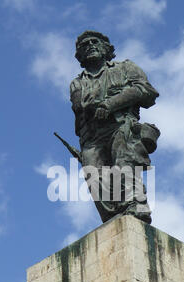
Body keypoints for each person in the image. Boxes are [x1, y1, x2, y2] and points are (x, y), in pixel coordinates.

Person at [70, 31, 160, 224]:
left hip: (120, 126)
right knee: (94, 177)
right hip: (91, 137)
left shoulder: (126, 68)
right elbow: (79, 108)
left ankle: (136, 205)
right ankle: (113, 217)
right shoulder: (78, 82)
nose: (91, 45)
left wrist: (110, 105)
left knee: (125, 161)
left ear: (106, 49)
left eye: (95, 42)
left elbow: (146, 91)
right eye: (85, 45)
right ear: (80, 56)